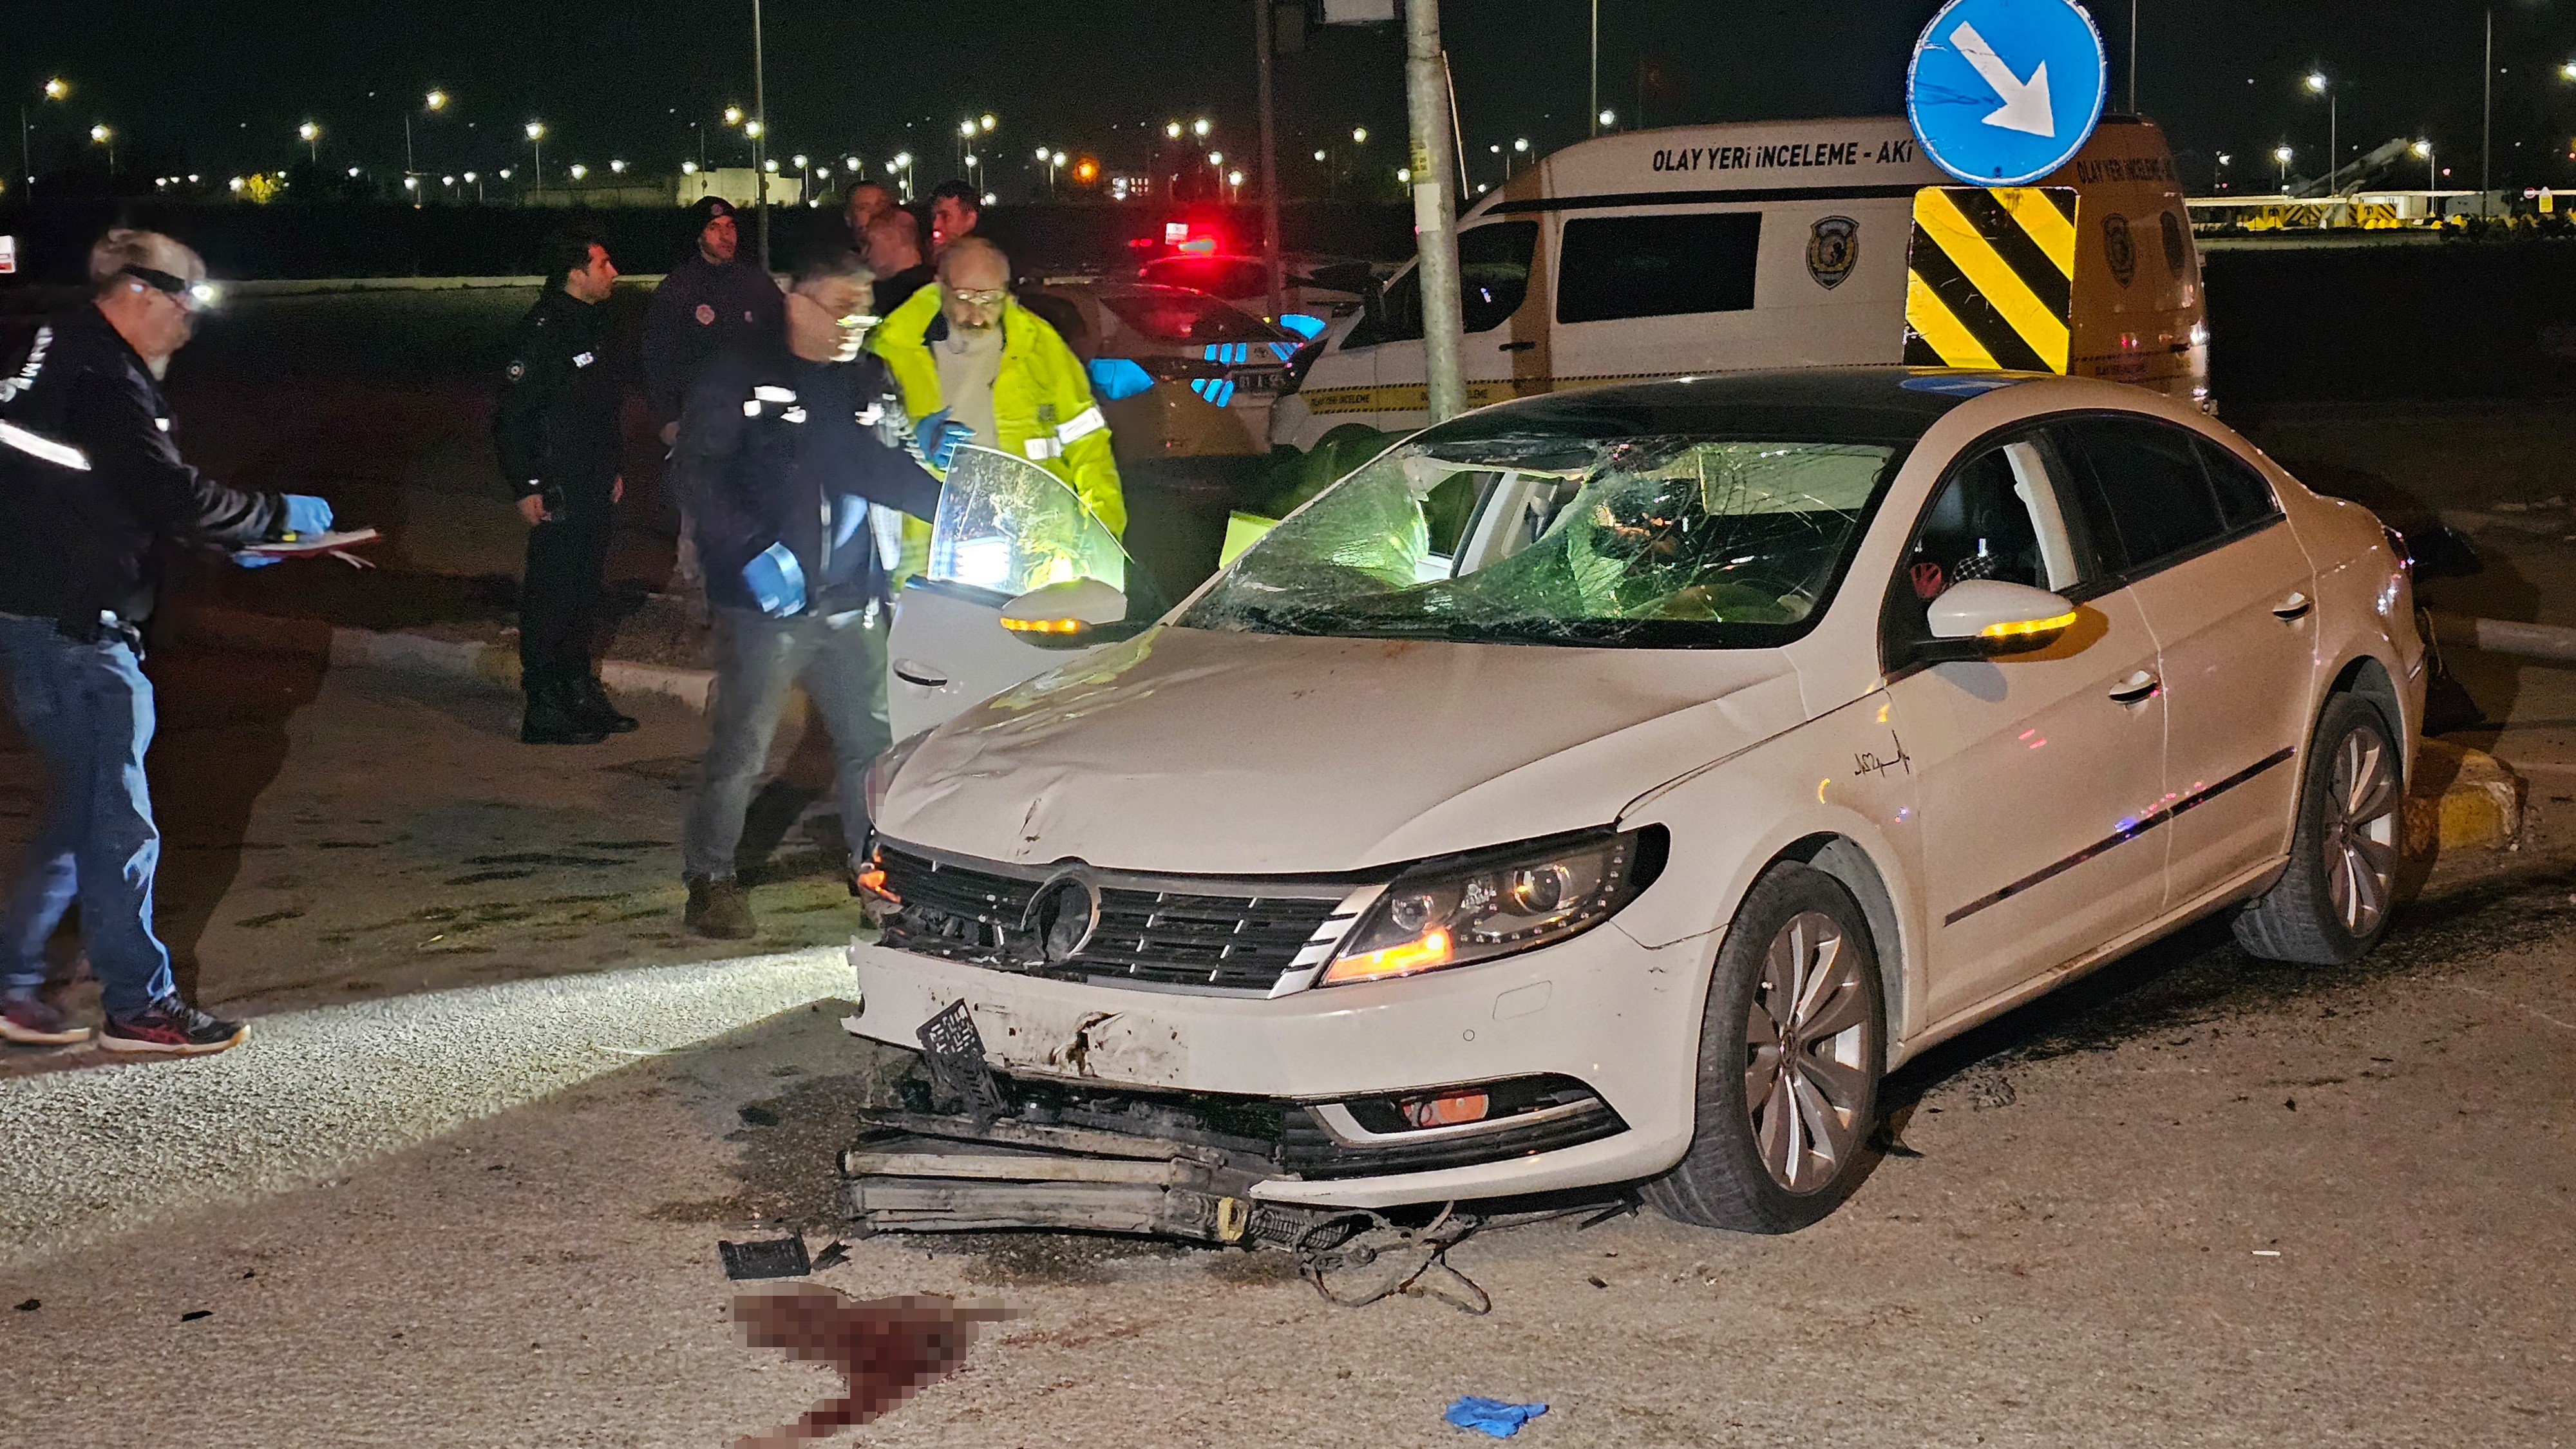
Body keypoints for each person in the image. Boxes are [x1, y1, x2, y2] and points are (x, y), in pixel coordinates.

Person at [0, 229, 335, 1054]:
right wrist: (274, 518)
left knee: (83, 813)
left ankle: (11, 987)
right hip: (78, 632)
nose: (192, 317)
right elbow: (162, 489)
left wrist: (227, 537)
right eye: (188, 297)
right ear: (139, 292)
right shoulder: (102, 377)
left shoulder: (49, 353)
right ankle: (139, 1008)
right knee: (118, 826)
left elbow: (101, 495)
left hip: (38, 617)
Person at [672, 247, 961, 940]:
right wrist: (750, 554)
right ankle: (710, 878)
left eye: (863, 312)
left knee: (869, 748)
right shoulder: (739, 372)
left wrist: (951, 496)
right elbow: (696, 477)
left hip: (849, 599)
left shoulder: (864, 379)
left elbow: (875, 466)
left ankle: (876, 878)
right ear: (792, 300)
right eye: (838, 309)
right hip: (766, 607)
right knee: (744, 748)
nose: (852, 325)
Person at [870, 236, 1123, 580]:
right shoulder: (894, 352)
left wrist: (1103, 533)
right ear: (939, 287)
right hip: (932, 549)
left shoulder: (1041, 348)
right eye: (963, 298)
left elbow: (1089, 445)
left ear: (1006, 294)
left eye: (989, 299)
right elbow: (864, 450)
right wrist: (916, 438)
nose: (976, 313)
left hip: (1037, 548)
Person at [495, 232, 634, 745]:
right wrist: (527, 484)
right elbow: (514, 417)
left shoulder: (593, 324)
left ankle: (576, 689)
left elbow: (598, 411)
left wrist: (612, 468)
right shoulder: (542, 331)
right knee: (552, 591)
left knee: (583, 588)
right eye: (603, 263)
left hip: (592, 478)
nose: (613, 271)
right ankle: (545, 703)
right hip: (557, 481)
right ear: (576, 273)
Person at [641, 196, 785, 447]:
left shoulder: (755, 284)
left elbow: (783, 334)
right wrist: (667, 418)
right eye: (714, 228)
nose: (725, 236)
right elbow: (658, 358)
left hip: (759, 420)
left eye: (730, 227)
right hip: (702, 420)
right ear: (699, 236)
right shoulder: (679, 288)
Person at [864, 209, 936, 319]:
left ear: (891, 239)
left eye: (870, 243)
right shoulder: (940, 284)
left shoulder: (882, 295)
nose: (865, 253)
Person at [925, 180, 981, 258]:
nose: (936, 226)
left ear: (970, 219)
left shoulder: (988, 264)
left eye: (945, 217)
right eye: (934, 217)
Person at [842, 180, 891, 252]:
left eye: (881, 206)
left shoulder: (908, 254)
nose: (876, 213)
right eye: (865, 208)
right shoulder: (838, 260)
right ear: (848, 218)